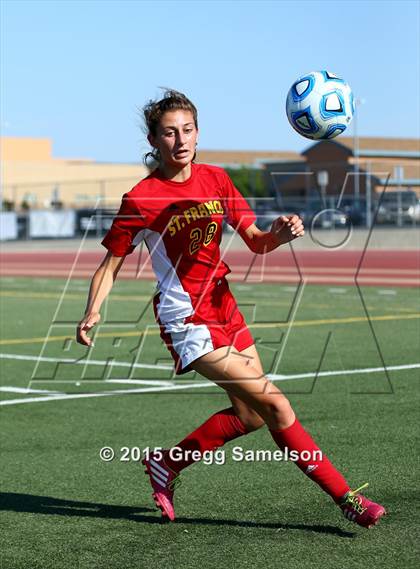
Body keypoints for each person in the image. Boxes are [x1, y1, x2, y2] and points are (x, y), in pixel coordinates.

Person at [76, 89, 386, 529]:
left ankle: (166, 464)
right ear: (154, 140)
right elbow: (110, 265)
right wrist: (92, 311)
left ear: (198, 134)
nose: (180, 140)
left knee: (251, 415)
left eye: (187, 130)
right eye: (169, 133)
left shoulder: (217, 180)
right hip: (186, 318)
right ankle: (346, 498)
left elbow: (257, 242)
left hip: (225, 306)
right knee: (277, 404)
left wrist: (278, 234)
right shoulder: (142, 198)